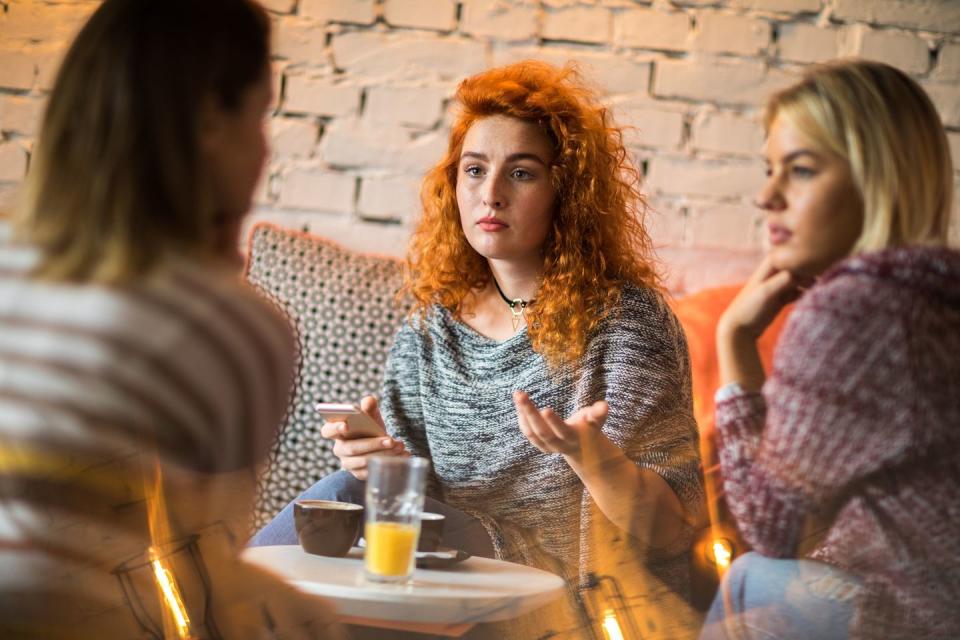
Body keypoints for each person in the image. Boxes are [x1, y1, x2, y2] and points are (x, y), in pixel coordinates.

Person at [253, 61, 704, 622]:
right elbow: (414, 507)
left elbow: (673, 529)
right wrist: (383, 466)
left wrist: (592, 458)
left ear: (566, 192)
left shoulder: (627, 323)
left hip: (569, 595)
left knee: (337, 507)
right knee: (350, 486)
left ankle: (210, 610)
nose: (490, 194)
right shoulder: (431, 328)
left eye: (521, 173)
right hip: (447, 581)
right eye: (474, 170)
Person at [0, 1, 340, 637]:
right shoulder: (233, 325)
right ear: (213, 118)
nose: (265, 147)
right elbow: (199, 584)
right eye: (261, 115)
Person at [702, 59, 960, 640]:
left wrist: (734, 338)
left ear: (876, 179)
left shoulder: (853, 309)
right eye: (769, 169)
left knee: (747, 574)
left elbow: (771, 526)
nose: (766, 196)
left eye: (800, 170)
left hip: (916, 619)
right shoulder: (935, 296)